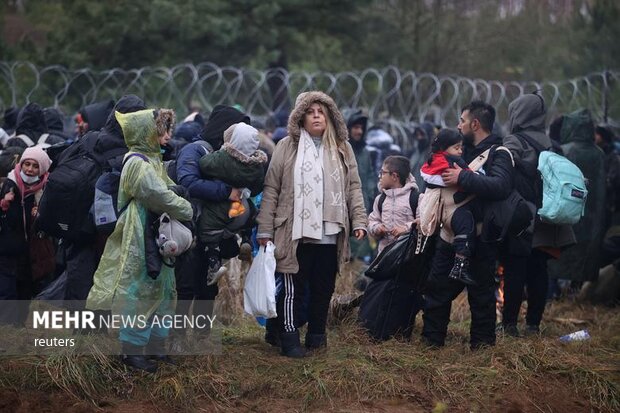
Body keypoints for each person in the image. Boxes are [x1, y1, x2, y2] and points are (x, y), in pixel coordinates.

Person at [256, 91, 368, 358]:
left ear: (330, 116)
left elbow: (353, 186)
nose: (317, 115)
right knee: (293, 287)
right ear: (300, 118)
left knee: (324, 287)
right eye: (311, 111)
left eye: (322, 111)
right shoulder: (286, 146)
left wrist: (359, 220)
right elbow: (272, 189)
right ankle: (289, 339)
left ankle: (317, 337)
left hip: (330, 231)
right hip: (294, 231)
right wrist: (264, 229)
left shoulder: (342, 147)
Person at [86, 108, 193, 373]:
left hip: (156, 231)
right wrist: (186, 208)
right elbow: (157, 194)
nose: (167, 136)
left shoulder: (153, 159)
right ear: (147, 132)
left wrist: (175, 195)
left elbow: (167, 187)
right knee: (141, 291)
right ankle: (132, 352)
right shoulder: (136, 162)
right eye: (162, 130)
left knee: (164, 289)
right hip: (139, 232)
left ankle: (156, 346)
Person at [422, 101, 514, 349]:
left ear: (475, 124)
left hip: (481, 239)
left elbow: (500, 187)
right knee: (437, 290)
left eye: (461, 121)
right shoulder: (456, 150)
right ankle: (431, 343)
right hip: (448, 236)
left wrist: (462, 176)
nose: (458, 125)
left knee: (481, 296)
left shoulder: (499, 153)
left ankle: (482, 348)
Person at [501, 93, 575, 336]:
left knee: (514, 270)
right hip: (547, 218)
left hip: (521, 216)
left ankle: (510, 325)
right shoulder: (554, 145)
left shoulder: (514, 141)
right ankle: (533, 325)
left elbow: (505, 174)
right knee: (539, 271)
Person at [198, 122, 267, 285]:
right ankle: (246, 240)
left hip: (221, 207)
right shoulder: (256, 167)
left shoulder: (223, 158)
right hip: (243, 207)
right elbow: (257, 188)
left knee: (209, 231)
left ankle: (213, 263)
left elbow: (204, 164)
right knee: (248, 218)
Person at [547, 109, 606, 288]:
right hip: (591, 215)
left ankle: (556, 292)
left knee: (560, 254)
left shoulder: (565, 150)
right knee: (583, 255)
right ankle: (575, 290)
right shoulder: (599, 154)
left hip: (566, 213)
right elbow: (602, 191)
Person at [0, 146, 53, 324]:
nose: (29, 169)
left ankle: (18, 324)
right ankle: (7, 325)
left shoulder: (44, 189)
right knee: (7, 288)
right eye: (27, 164)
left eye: (35, 166)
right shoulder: (10, 185)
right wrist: (5, 204)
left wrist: (40, 214)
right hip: (7, 248)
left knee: (25, 286)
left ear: (43, 169)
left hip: (30, 250)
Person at [419, 128, 478, 285]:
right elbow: (469, 177)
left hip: (439, 211)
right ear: (444, 147)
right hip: (455, 208)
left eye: (461, 148)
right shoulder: (452, 161)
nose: (459, 151)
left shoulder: (431, 160)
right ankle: (460, 266)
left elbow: (428, 177)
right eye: (456, 147)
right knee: (467, 229)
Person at [368, 155, 417, 253]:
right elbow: (372, 221)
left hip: (408, 256)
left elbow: (425, 223)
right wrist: (377, 228)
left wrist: (406, 228)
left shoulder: (415, 198)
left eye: (382, 173)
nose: (379, 176)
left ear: (394, 176)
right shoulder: (380, 199)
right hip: (384, 256)